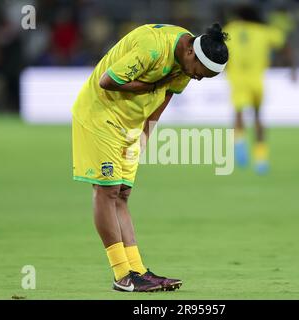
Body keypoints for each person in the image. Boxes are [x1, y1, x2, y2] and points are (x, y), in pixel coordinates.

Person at [71, 23, 229, 292]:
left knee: (121, 195)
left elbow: (165, 98)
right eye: (200, 74)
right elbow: (107, 81)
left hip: (130, 125)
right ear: (191, 52)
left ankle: (137, 270)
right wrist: (153, 83)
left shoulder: (186, 65)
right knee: (106, 192)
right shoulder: (153, 48)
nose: (198, 79)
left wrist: (144, 136)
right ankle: (122, 275)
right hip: (100, 117)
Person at [224, 6, 290, 174]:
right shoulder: (264, 30)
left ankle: (239, 143)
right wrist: (292, 67)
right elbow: (282, 42)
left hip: (237, 78)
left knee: (238, 112)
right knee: (258, 116)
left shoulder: (231, 28)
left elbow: (217, 44)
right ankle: (261, 159)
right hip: (256, 80)